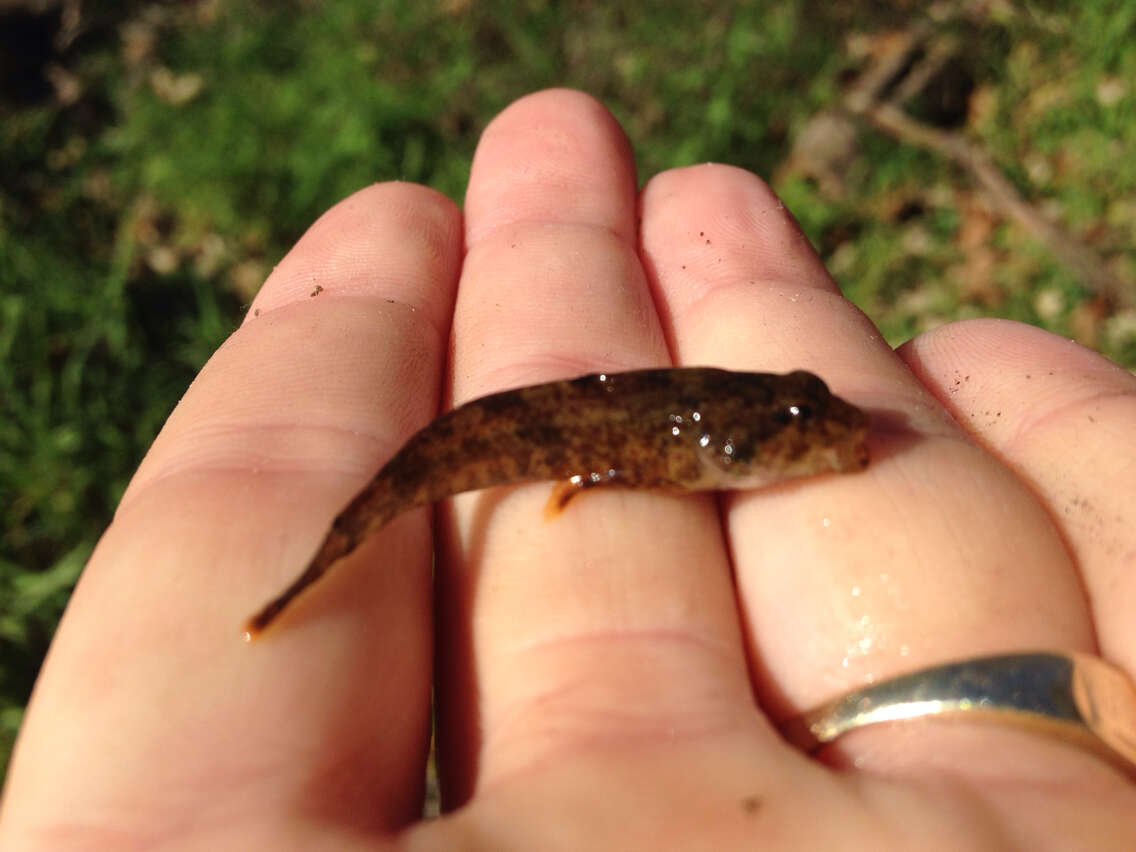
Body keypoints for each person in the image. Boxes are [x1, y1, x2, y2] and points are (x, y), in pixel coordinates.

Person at [2, 89, 1134, 848]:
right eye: (763, 441)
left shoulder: (745, 427)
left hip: (625, 426)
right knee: (424, 475)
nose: (825, 431)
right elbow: (649, 446)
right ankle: (307, 577)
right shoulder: (664, 445)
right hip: (586, 431)